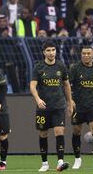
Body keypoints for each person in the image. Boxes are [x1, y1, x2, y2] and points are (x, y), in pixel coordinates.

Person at [30, 41, 73, 172]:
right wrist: (38, 99)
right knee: (43, 134)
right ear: (44, 52)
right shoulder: (38, 67)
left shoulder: (61, 66)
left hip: (58, 105)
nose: (51, 53)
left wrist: (70, 102)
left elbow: (66, 85)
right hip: (43, 107)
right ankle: (44, 163)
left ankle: (60, 161)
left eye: (53, 50)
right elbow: (32, 85)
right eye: (48, 50)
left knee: (59, 131)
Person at [69, 46, 93, 169]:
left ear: (92, 55)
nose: (86, 55)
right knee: (77, 131)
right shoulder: (74, 68)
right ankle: (77, 159)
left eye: (88, 53)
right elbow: (68, 86)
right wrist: (70, 102)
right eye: (84, 53)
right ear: (81, 54)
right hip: (78, 105)